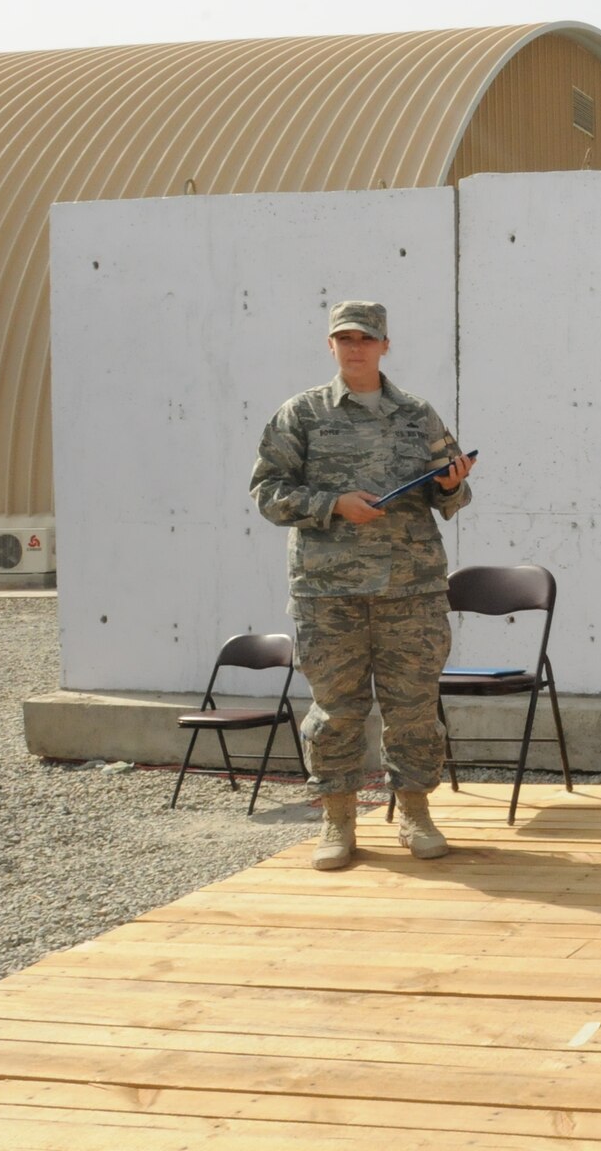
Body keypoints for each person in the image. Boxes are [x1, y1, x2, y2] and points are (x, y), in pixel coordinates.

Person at [249, 300, 475, 871]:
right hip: (329, 593)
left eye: (366, 338)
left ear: (384, 345)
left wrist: (450, 483)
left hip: (411, 588)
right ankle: (339, 817)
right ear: (331, 346)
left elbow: (450, 499)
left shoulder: (418, 415)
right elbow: (268, 492)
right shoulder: (300, 415)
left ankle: (416, 812)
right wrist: (333, 504)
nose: (355, 348)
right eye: (344, 338)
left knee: (414, 708)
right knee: (336, 709)